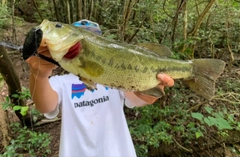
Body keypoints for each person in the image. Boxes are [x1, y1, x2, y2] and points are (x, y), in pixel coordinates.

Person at [26, 21, 174, 157]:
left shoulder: (114, 79)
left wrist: (150, 91)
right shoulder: (60, 82)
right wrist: (39, 75)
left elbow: (139, 98)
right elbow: (45, 106)